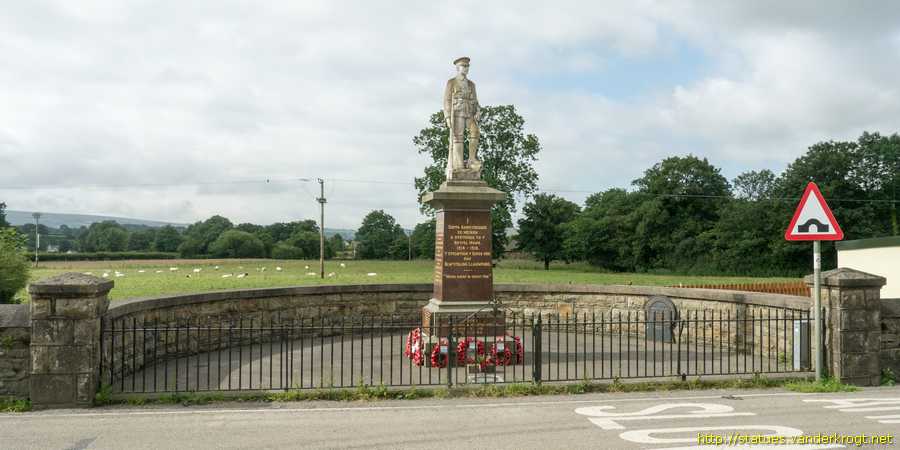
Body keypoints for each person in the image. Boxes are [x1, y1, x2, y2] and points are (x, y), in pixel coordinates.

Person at [443, 56, 481, 179]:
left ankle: (471, 159)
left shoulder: (471, 84)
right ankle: (458, 164)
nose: (466, 68)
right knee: (458, 138)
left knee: (475, 132)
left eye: (467, 66)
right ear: (458, 68)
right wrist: (448, 116)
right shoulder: (451, 82)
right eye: (463, 66)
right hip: (457, 112)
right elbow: (447, 100)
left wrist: (478, 111)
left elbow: (475, 100)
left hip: (469, 112)